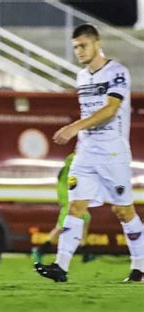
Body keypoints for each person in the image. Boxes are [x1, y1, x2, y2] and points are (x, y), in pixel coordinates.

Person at [35, 24, 144, 283]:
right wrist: (79, 140)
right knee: (75, 206)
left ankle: (139, 267)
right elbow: (89, 114)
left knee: (123, 211)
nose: (79, 52)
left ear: (97, 43)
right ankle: (60, 268)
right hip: (85, 153)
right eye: (75, 48)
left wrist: (74, 127)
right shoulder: (81, 76)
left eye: (83, 46)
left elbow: (110, 110)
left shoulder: (117, 72)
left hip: (112, 153)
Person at [31, 153, 95, 264]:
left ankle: (86, 251)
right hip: (69, 201)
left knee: (86, 218)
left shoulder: (71, 160)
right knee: (60, 228)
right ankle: (40, 250)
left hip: (69, 199)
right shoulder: (76, 159)